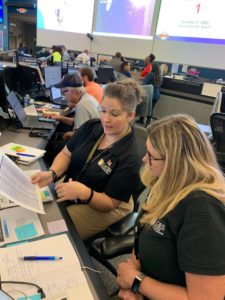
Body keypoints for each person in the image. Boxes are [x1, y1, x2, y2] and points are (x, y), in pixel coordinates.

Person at [116, 114, 225, 300]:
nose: (144, 159)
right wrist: (134, 280)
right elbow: (142, 233)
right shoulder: (163, 183)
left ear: (175, 163)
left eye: (151, 155)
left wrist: (136, 281)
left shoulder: (202, 211)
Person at [32, 79, 144, 240]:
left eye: (114, 114)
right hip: (78, 186)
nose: (105, 119)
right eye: (103, 110)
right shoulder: (92, 126)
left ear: (131, 116)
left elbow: (109, 203)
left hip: (107, 204)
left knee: (52, 229)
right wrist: (52, 173)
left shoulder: (131, 157)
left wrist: (85, 193)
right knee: (40, 207)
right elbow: (66, 154)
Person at [44, 73, 100, 164]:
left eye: (64, 93)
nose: (64, 96)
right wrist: (60, 118)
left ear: (73, 91)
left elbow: (79, 135)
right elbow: (79, 122)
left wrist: (66, 134)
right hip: (90, 140)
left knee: (48, 147)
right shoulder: (87, 98)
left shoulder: (82, 105)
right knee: (56, 135)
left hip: (84, 145)